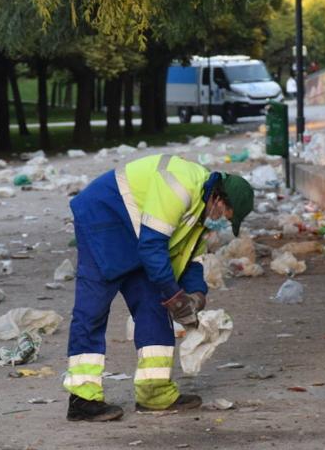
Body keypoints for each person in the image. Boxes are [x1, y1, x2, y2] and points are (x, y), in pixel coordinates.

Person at [64, 154, 254, 421]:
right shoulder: (180, 186)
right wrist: (175, 295)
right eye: (223, 214)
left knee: (154, 306)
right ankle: (82, 399)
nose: (220, 220)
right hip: (103, 219)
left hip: (137, 231)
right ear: (218, 199)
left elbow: (191, 259)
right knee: (92, 309)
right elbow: (153, 245)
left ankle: (154, 392)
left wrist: (197, 296)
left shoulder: (201, 211)